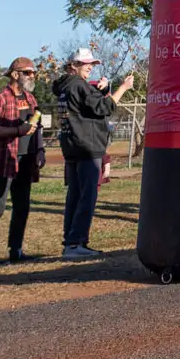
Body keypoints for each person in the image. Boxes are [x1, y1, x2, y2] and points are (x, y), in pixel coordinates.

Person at [53, 47, 133, 257]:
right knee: (87, 196)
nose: (90, 67)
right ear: (74, 66)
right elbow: (104, 108)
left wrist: (100, 90)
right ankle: (76, 242)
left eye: (92, 64)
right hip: (87, 147)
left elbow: (87, 106)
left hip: (72, 146)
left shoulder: (66, 87)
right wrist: (123, 88)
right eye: (86, 63)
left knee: (75, 195)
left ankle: (70, 242)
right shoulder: (79, 85)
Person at [0, 57, 44, 267]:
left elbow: (37, 128)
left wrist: (40, 150)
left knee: (22, 206)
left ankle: (16, 250)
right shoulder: (1, 99)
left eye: (33, 73)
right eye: (28, 72)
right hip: (4, 159)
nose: (32, 76)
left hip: (25, 160)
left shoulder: (31, 99)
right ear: (15, 75)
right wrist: (17, 130)